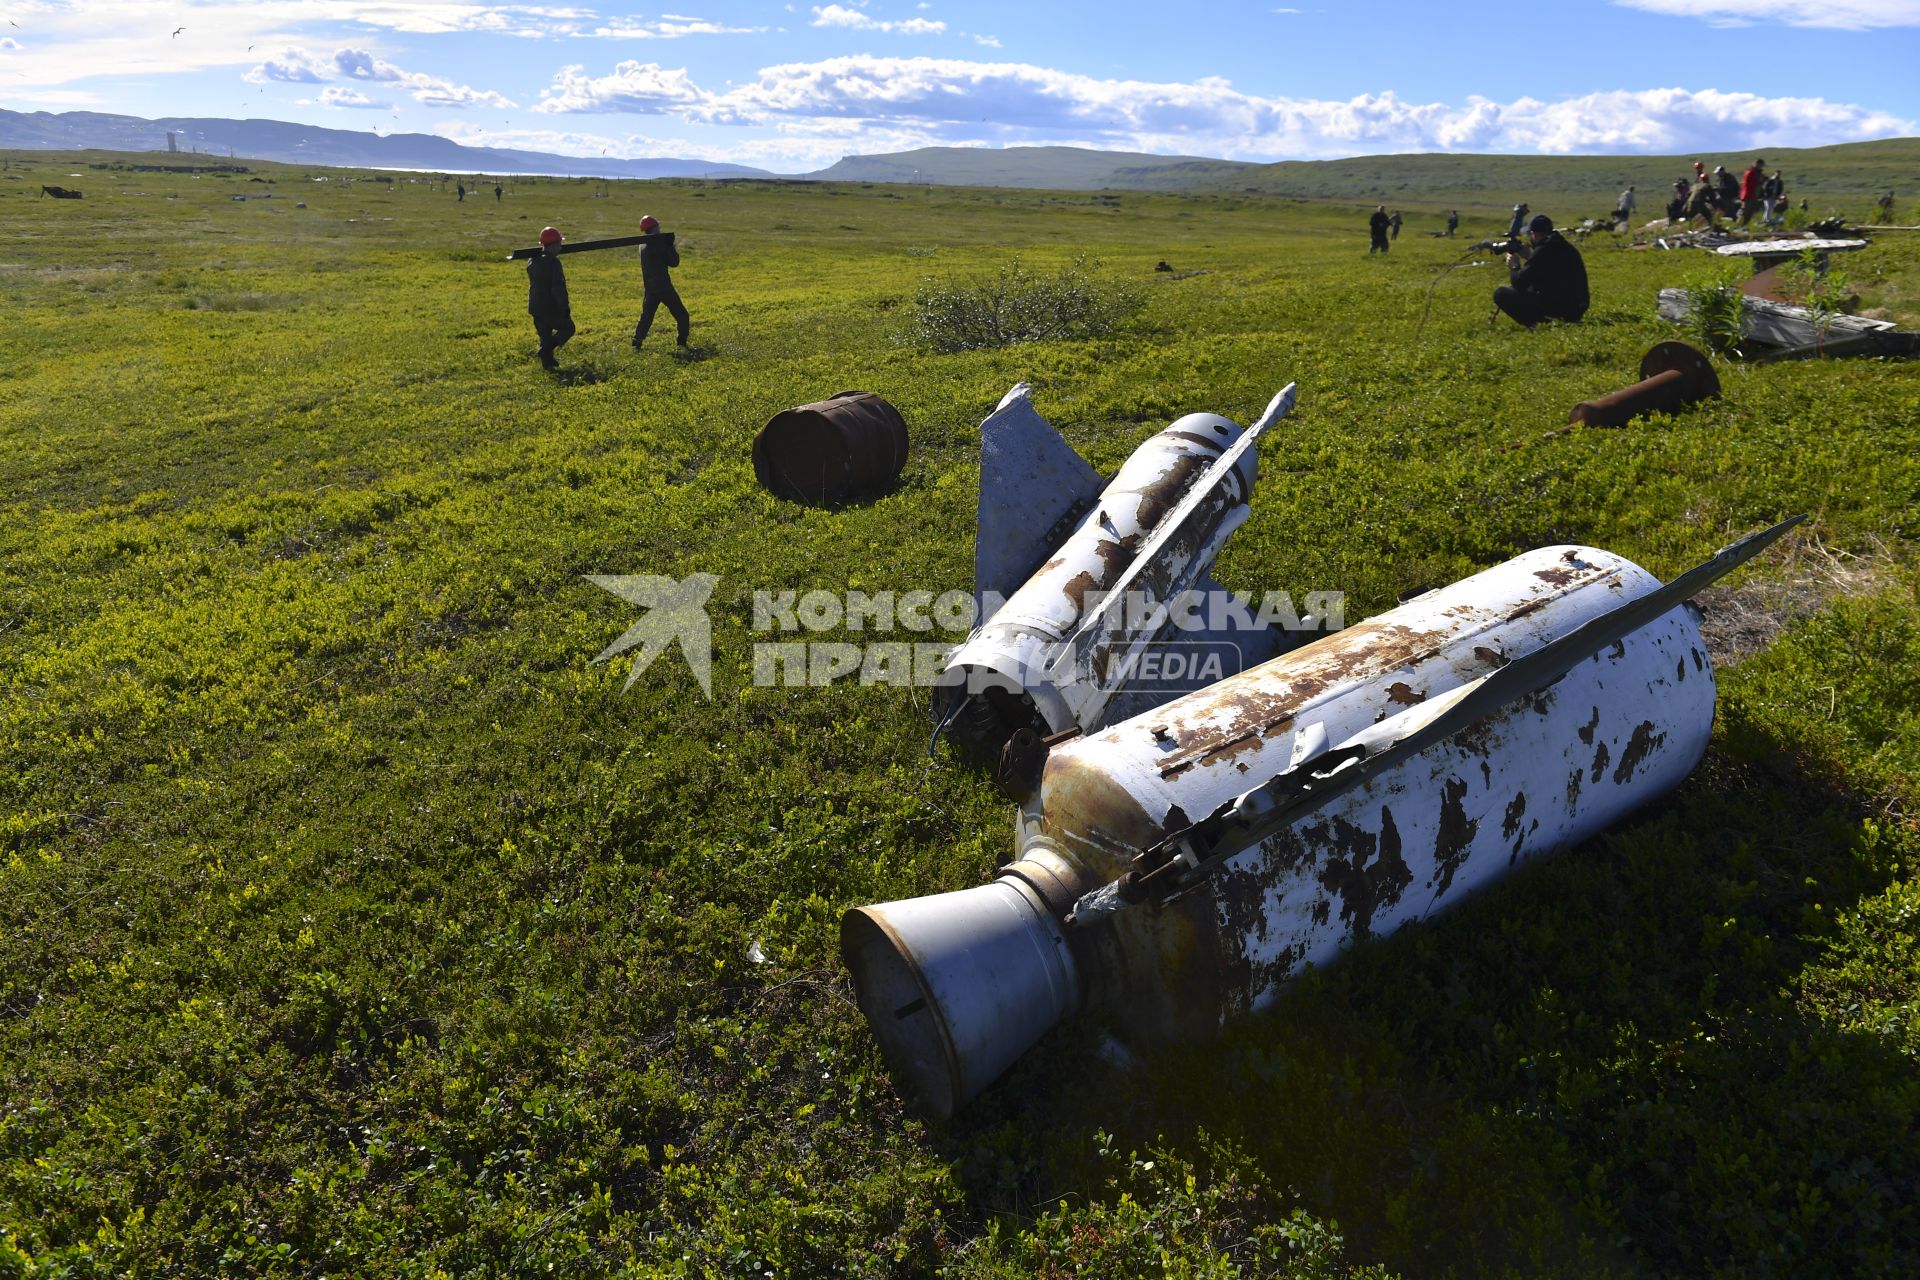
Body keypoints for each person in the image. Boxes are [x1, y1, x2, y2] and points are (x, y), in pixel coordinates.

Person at [1492, 213, 1588, 330]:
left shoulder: (1544, 249)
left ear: (1534, 233)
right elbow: (1548, 270)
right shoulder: (1564, 245)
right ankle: (1554, 320)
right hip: (1576, 308)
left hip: (1560, 309)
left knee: (1501, 293)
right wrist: (1530, 256)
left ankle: (1537, 324)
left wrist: (1514, 266)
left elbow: (1519, 282)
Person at [632, 214, 690, 348]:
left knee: (646, 318)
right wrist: (670, 245)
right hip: (664, 287)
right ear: (655, 228)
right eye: (658, 225)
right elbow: (674, 262)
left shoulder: (642, 244)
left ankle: (636, 343)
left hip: (650, 288)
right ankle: (681, 344)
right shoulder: (657, 244)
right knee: (682, 316)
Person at [527, 225, 573, 370]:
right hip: (549, 307)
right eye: (559, 244)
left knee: (545, 335)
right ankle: (546, 351)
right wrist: (564, 308)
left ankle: (548, 363)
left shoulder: (532, 260)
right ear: (553, 245)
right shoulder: (553, 263)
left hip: (535, 306)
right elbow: (558, 288)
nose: (560, 247)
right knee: (568, 328)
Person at [1739, 158, 1764, 226]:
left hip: (1754, 195)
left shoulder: (1757, 173)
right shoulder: (1750, 172)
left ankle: (1744, 225)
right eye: (1760, 165)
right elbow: (1746, 184)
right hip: (1748, 195)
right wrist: (1759, 181)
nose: (1761, 167)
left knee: (1750, 212)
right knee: (1745, 212)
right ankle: (1738, 225)